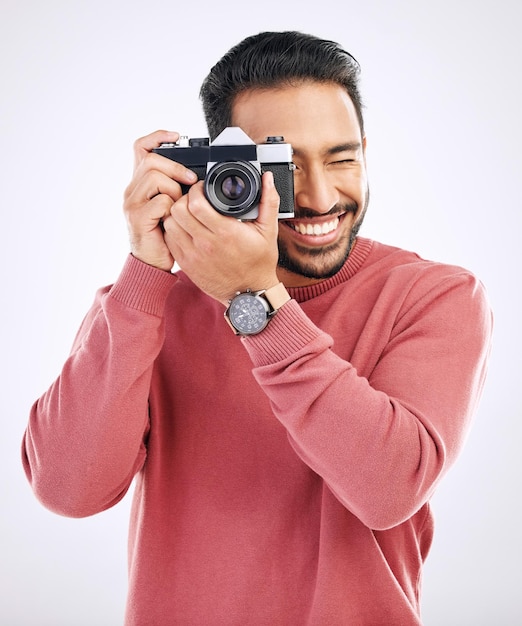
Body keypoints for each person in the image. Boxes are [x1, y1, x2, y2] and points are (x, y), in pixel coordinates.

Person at [22, 31, 492, 625]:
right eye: (284, 167)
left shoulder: (436, 296)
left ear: (367, 151)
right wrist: (144, 269)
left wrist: (253, 300)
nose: (321, 197)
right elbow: (67, 488)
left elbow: (389, 487)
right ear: (222, 168)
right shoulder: (150, 303)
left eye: (342, 158)